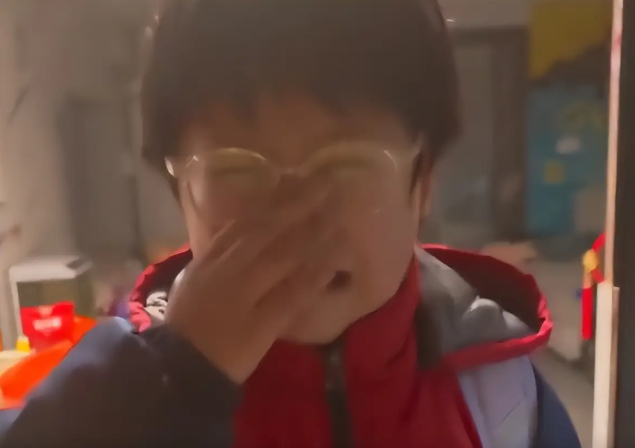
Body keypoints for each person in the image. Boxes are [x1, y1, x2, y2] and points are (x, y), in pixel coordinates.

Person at [0, 0, 580, 447]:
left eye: (345, 166)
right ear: (181, 194)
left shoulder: (504, 399)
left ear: (421, 185)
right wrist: (174, 382)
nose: (297, 219)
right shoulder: (115, 399)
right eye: (237, 171)